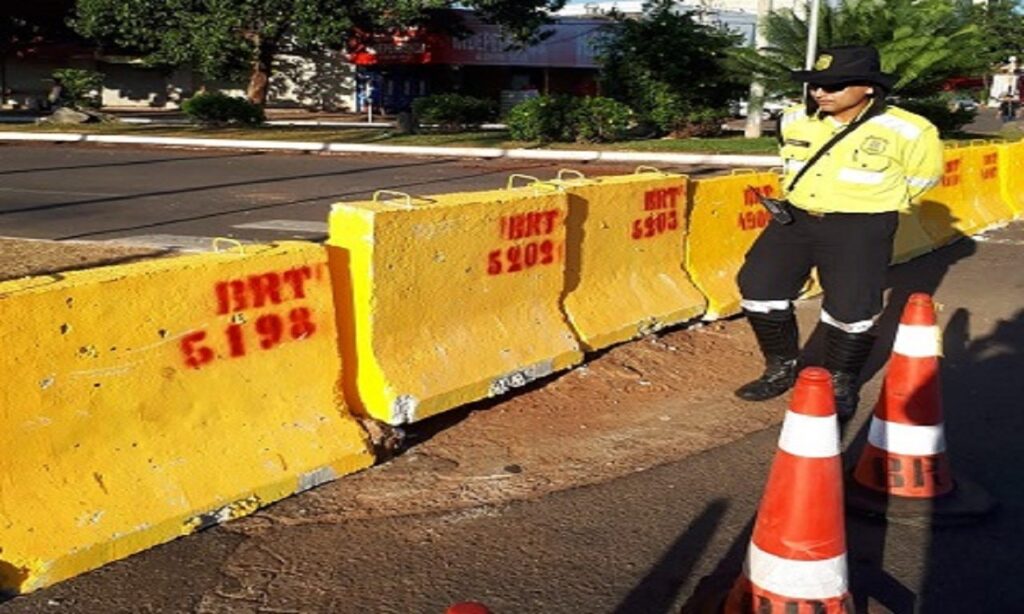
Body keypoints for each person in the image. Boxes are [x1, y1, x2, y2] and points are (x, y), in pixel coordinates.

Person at [734, 45, 944, 419]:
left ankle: (840, 380)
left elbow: (922, 178)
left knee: (852, 308)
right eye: (816, 84)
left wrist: (870, 200)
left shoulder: (909, 130)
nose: (820, 92)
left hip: (859, 226)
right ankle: (781, 368)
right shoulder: (794, 119)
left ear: (868, 87)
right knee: (758, 286)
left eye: (833, 85)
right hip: (795, 219)